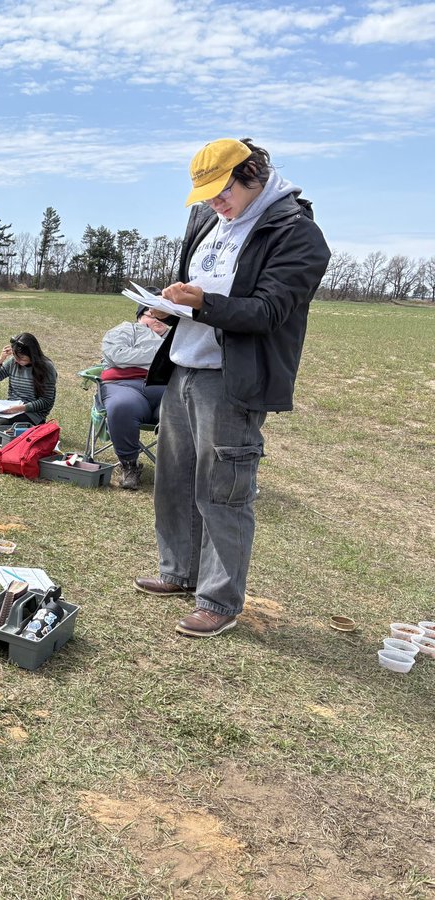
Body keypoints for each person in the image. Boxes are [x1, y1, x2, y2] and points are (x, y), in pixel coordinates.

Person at [136, 138, 330, 638]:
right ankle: (179, 572)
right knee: (174, 481)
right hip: (184, 366)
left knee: (223, 490)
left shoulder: (297, 235)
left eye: (221, 191)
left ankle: (219, 601)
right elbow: (190, 284)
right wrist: (165, 307)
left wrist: (203, 304)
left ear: (252, 174)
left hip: (233, 377)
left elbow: (267, 311)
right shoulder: (205, 221)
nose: (213, 202)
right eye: (205, 194)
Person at [99, 306, 169, 490]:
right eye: (153, 315)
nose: (159, 319)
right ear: (140, 316)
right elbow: (118, 356)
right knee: (122, 406)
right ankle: (129, 465)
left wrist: (139, 356)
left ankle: (177, 468)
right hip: (124, 385)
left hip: (166, 388)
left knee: (183, 407)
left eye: (165, 315)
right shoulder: (125, 330)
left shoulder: (177, 335)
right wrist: (161, 356)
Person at [0, 332, 57, 427]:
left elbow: (46, 401)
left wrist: (21, 408)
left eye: (21, 358)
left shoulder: (47, 368)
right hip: (11, 409)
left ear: (32, 355)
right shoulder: (13, 362)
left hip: (33, 414)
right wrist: (0, 360)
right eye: (15, 356)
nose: (17, 361)